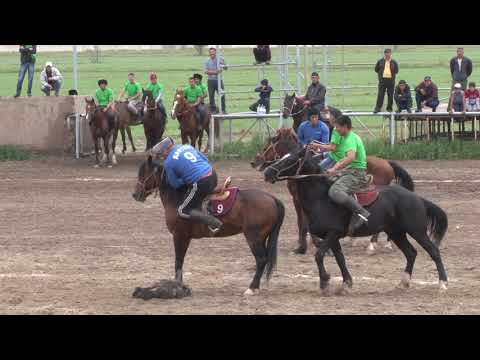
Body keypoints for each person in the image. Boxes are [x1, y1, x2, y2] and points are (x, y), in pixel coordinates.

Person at [309, 115, 370, 233]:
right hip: (349, 170)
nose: (336, 129)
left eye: (338, 127)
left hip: (356, 173)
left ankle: (361, 212)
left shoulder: (350, 139)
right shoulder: (348, 137)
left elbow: (350, 157)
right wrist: (335, 169)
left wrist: (334, 169)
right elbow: (344, 158)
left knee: (334, 191)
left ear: (345, 127)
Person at [151, 137, 223, 232]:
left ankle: (214, 222)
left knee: (183, 210)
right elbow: (205, 159)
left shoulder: (168, 162)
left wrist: (184, 179)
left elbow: (175, 184)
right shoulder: (186, 146)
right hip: (213, 174)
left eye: (162, 153)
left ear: (168, 149)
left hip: (201, 183)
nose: (162, 157)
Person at [374, 48, 399, 113]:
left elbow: (396, 71)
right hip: (382, 81)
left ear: (391, 54)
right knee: (380, 95)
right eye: (386, 53)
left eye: (389, 53)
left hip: (391, 81)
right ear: (384, 54)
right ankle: (377, 108)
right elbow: (376, 69)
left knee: (390, 95)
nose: (387, 54)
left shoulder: (394, 62)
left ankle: (389, 108)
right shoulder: (380, 61)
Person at [204, 47, 227, 114]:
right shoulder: (207, 61)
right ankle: (213, 110)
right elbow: (206, 71)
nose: (212, 55)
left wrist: (223, 63)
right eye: (210, 53)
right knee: (211, 96)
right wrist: (216, 72)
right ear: (209, 53)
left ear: (216, 53)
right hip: (210, 81)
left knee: (222, 95)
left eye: (213, 53)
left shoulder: (220, 59)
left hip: (219, 80)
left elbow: (226, 68)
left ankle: (223, 110)